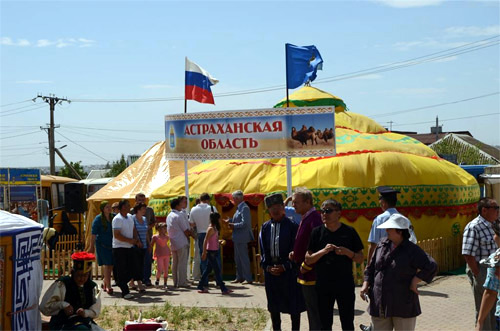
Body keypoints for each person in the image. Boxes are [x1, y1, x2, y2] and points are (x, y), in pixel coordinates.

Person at [360, 214, 437, 331]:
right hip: (380, 301)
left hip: (402, 303)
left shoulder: (412, 250)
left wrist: (415, 280)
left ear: (400, 231)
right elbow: (371, 268)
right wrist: (365, 284)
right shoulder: (382, 245)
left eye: (390, 228)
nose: (386, 231)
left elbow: (431, 266)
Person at [305, 199, 364, 330]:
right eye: (322, 211)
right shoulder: (316, 232)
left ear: (338, 213)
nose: (324, 214)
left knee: (347, 322)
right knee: (325, 323)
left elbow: (360, 258)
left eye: (328, 211)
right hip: (323, 285)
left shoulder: (349, 232)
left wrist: (348, 253)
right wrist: (323, 251)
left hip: (345, 284)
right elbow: (308, 259)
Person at [260, 193, 304, 330]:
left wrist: (285, 266)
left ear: (283, 207)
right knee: (274, 307)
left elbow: (298, 252)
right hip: (271, 274)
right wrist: (267, 268)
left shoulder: (293, 226)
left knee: (294, 308)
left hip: (289, 273)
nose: (275, 210)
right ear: (268, 210)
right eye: (271, 207)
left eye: (278, 206)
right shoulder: (265, 227)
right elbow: (263, 251)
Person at [40, 252, 103, 330]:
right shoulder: (62, 284)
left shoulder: (94, 287)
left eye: (85, 275)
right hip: (62, 323)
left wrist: (85, 312)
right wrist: (62, 305)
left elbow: (95, 311)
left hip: (85, 322)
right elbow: (44, 307)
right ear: (73, 273)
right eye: (79, 275)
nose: (82, 278)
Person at [288, 187, 323, 331]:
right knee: (311, 311)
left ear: (308, 202)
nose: (293, 205)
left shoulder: (314, 219)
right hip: (305, 271)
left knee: (315, 313)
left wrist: (306, 265)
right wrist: (295, 253)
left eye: (296, 202)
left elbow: (317, 246)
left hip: (311, 272)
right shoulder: (306, 217)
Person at [464, 197, 500, 330]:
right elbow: (468, 254)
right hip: (482, 270)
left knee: (493, 309)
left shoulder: (495, 224)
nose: (498, 211)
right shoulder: (474, 227)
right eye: (495, 208)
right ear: (484, 210)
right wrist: (478, 274)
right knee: (483, 309)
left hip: (494, 269)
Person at [367, 186, 417, 264]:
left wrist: (369, 266)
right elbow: (413, 241)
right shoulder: (405, 220)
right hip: (403, 262)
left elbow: (373, 245)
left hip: (384, 263)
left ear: (383, 203)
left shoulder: (379, 220)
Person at [197, 212, 233, 295]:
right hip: (211, 251)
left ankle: (200, 285)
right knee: (217, 270)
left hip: (215, 250)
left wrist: (218, 241)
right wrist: (204, 252)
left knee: (208, 270)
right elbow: (206, 240)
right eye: (219, 218)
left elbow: (213, 239)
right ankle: (223, 288)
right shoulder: (211, 228)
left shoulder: (215, 228)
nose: (220, 220)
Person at [223, 190, 254, 284]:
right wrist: (230, 220)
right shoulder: (239, 208)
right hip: (237, 237)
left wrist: (234, 225)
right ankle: (239, 277)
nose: (232, 200)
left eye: (233, 198)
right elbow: (239, 220)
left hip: (242, 237)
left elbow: (245, 223)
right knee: (237, 258)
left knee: (243, 258)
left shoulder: (244, 208)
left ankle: (248, 278)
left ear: (237, 198)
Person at [112, 199, 140, 299]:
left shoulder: (129, 217)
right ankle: (125, 291)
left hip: (129, 247)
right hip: (119, 248)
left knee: (133, 268)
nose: (130, 207)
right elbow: (117, 235)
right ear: (123, 207)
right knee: (122, 270)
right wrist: (129, 240)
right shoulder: (117, 219)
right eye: (128, 205)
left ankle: (120, 282)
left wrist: (136, 240)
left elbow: (133, 229)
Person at [476, 219, 500, 331]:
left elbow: (491, 292)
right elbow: (490, 292)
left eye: (495, 234)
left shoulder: (496, 259)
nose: (494, 237)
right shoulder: (496, 259)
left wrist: (480, 322)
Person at [190, 193, 218, 286]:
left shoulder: (193, 209)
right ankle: (218, 280)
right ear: (208, 200)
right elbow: (217, 220)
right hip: (212, 232)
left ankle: (204, 280)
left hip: (200, 233)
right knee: (215, 257)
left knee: (203, 257)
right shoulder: (212, 208)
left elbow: (192, 223)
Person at [130, 193, 156, 287]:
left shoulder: (149, 211)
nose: (142, 201)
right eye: (140, 199)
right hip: (136, 242)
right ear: (136, 200)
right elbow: (133, 229)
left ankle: (146, 279)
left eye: (143, 199)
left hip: (147, 238)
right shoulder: (131, 212)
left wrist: (148, 227)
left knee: (147, 260)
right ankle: (134, 281)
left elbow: (153, 222)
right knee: (136, 262)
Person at [89, 200, 114, 295]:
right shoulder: (98, 219)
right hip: (102, 245)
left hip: (112, 245)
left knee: (111, 265)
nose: (109, 208)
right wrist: (92, 246)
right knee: (107, 265)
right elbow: (93, 234)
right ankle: (109, 286)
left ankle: (105, 282)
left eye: (110, 206)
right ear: (103, 209)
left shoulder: (113, 217)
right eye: (107, 207)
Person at [167, 197, 192, 288]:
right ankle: (182, 282)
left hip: (173, 241)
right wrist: (191, 234)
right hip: (181, 241)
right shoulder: (179, 216)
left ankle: (175, 281)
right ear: (177, 205)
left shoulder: (170, 215)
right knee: (182, 263)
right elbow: (186, 230)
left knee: (175, 263)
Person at [129, 203, 150, 293]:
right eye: (143, 209)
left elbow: (146, 232)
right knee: (136, 264)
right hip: (135, 245)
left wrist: (149, 244)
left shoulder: (144, 219)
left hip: (144, 245)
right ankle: (139, 283)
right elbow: (133, 231)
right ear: (137, 210)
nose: (144, 210)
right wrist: (137, 241)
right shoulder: (132, 218)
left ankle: (132, 281)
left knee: (141, 264)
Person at [151, 222, 171, 289]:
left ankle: (165, 283)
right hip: (159, 254)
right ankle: (157, 280)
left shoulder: (167, 237)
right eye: (163, 228)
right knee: (159, 269)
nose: (165, 230)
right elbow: (151, 245)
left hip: (166, 254)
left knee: (166, 269)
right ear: (159, 229)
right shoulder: (155, 237)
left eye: (166, 228)